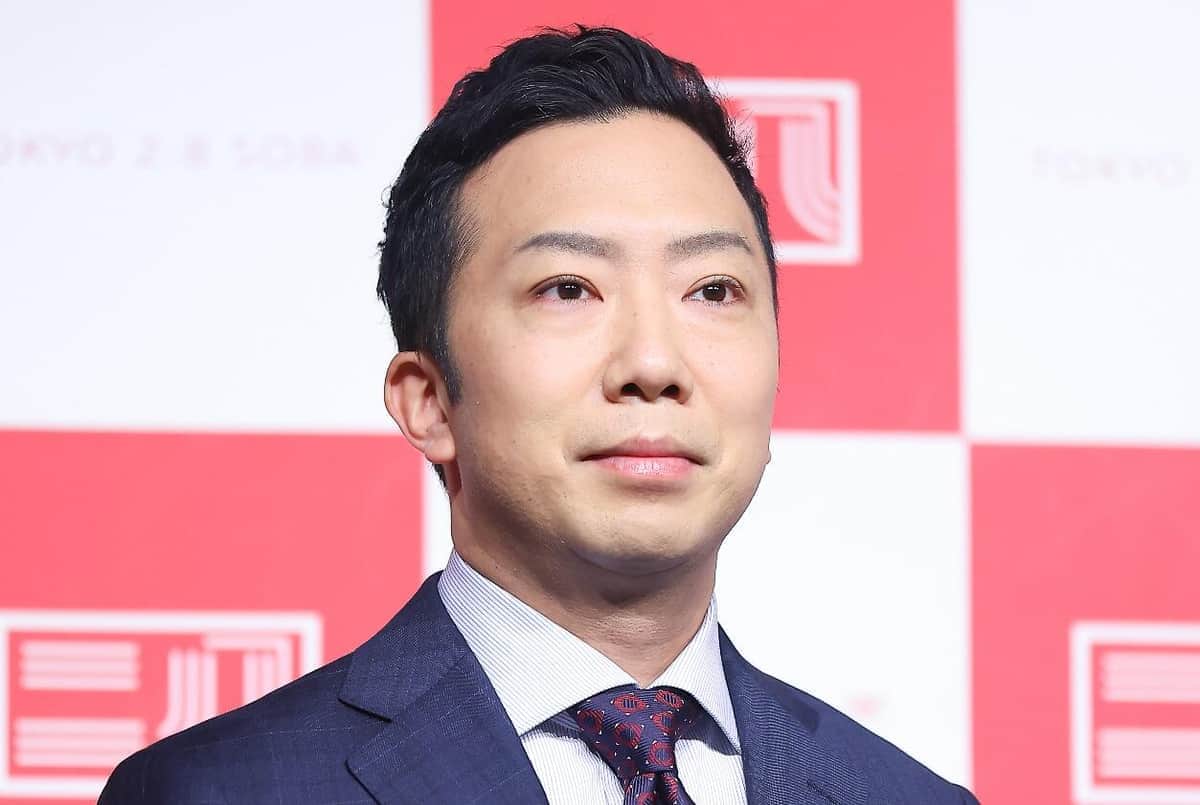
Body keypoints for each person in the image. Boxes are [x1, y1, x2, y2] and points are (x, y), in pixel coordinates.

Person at [100, 25, 979, 804]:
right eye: (568, 288)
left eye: (713, 290)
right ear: (428, 400)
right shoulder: (216, 790)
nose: (654, 365)